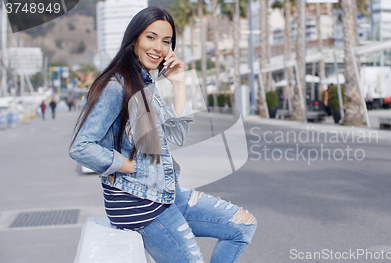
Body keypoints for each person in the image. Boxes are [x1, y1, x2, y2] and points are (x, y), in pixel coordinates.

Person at [68, 6, 256, 263]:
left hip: (164, 193)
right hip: (138, 203)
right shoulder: (117, 86)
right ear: (134, 39)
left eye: (166, 41)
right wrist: (129, 166)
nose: (158, 47)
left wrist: (178, 83)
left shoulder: (146, 85)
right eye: (151, 37)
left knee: (243, 225)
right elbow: (81, 146)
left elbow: (179, 136)